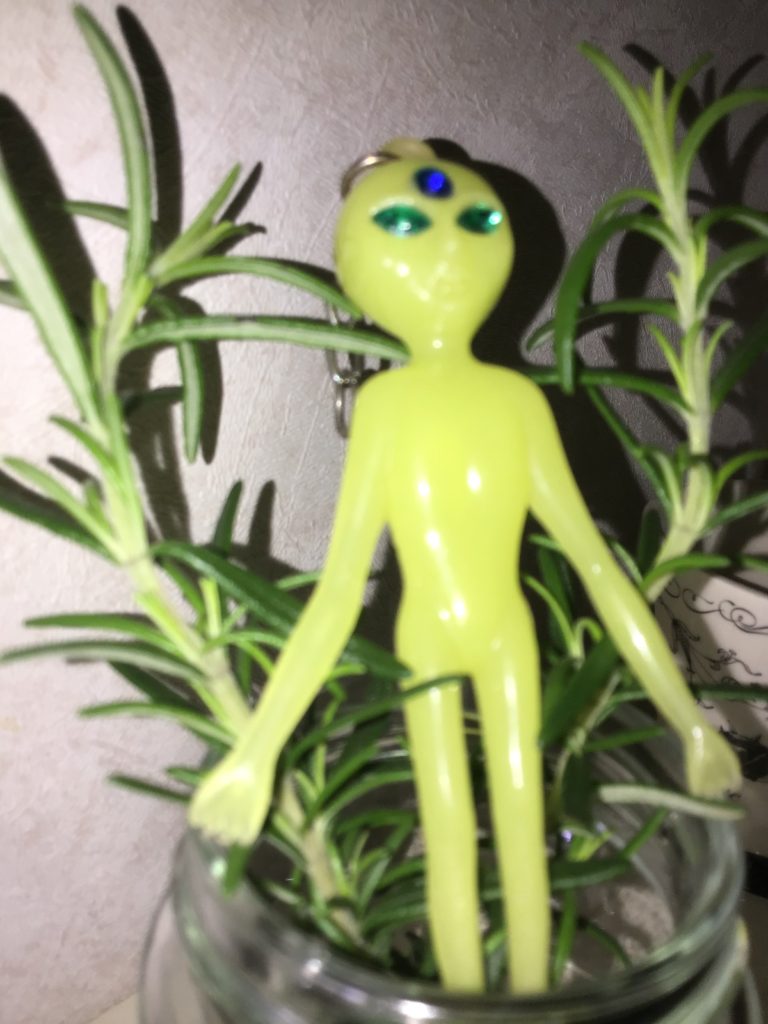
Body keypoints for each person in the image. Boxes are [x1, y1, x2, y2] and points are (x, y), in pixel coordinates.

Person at [189, 139, 740, 994]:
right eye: (408, 226)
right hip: (428, 644)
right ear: (355, 272)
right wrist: (255, 754)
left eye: (475, 221)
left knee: (524, 836)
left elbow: (598, 565)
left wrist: (691, 723)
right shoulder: (383, 407)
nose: (448, 250)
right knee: (448, 837)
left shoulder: (517, 403)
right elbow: (338, 593)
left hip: (506, 637)